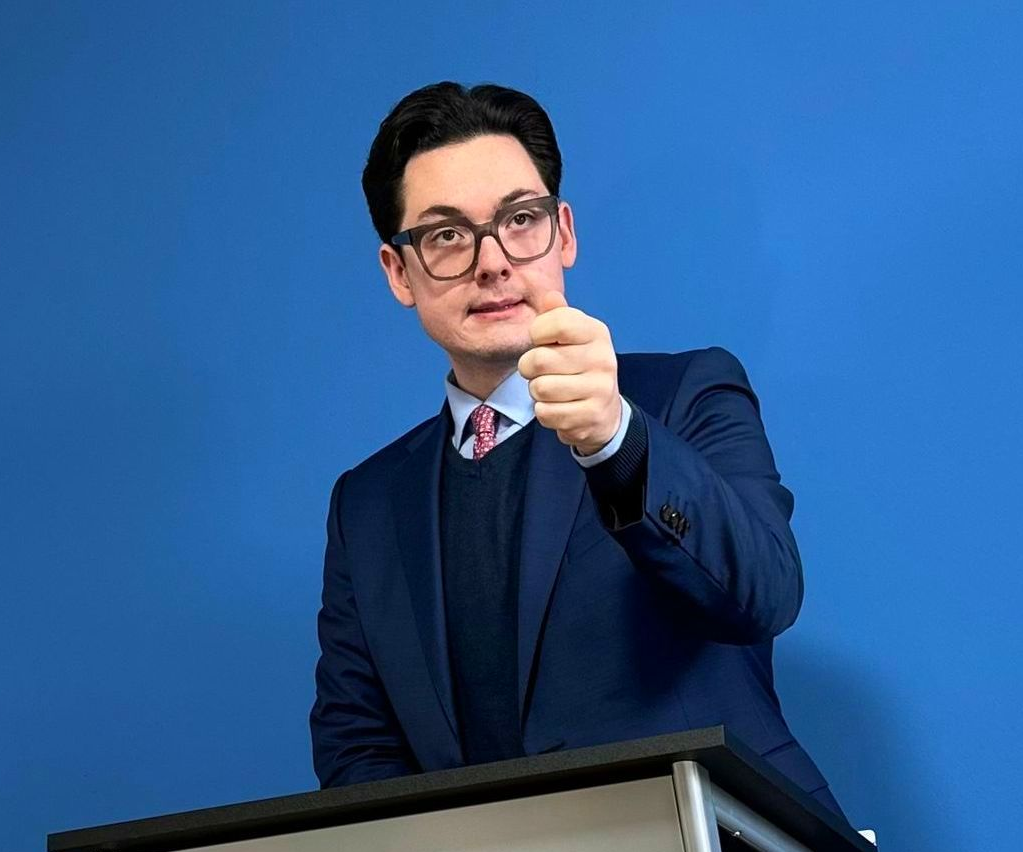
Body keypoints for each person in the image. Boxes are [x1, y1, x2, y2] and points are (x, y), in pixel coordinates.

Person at [308, 81, 845, 818]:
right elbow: (357, 749)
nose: (492, 262)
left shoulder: (685, 393)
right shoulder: (365, 504)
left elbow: (765, 592)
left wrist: (616, 439)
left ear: (562, 233)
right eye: (446, 236)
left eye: (518, 219)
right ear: (399, 272)